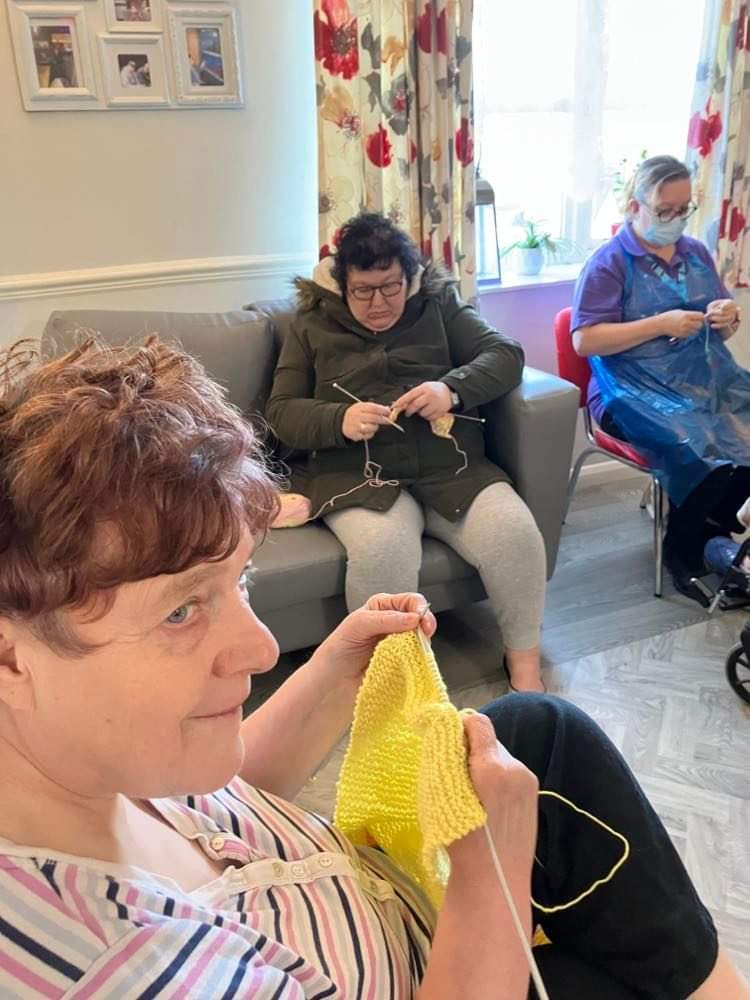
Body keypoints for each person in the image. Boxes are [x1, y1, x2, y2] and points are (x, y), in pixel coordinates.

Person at [0, 336, 746, 1000]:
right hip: (442, 965)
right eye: (180, 611)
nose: (263, 650)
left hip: (386, 903)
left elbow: (216, 803)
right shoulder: (119, 970)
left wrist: (336, 670)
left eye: (241, 580)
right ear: (10, 656)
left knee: (537, 728)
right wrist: (489, 868)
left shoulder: (93, 756)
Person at [266, 212, 547, 692]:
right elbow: (280, 411)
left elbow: (506, 355)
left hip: (452, 469)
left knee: (515, 534)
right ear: (342, 284)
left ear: (409, 277)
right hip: (360, 476)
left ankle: (524, 667)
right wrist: (339, 419)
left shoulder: (438, 303)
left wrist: (451, 389)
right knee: (383, 553)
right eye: (363, 291)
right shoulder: (309, 322)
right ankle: (390, 689)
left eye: (391, 287)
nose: (378, 303)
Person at [571, 155, 750, 598]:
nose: (675, 219)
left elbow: (721, 331)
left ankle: (713, 530)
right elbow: (585, 341)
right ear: (636, 206)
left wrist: (728, 317)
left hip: (700, 381)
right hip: (628, 390)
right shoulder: (610, 263)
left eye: (683, 209)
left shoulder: (696, 254)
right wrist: (659, 324)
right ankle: (681, 552)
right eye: (664, 210)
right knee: (699, 448)